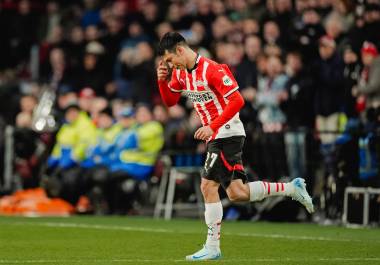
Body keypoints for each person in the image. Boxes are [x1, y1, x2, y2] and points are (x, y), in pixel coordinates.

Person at [156, 32, 314, 261]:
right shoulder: (181, 74)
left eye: (169, 60)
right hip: (217, 135)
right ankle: (292, 188)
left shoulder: (212, 69)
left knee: (207, 186)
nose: (169, 65)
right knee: (237, 193)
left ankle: (212, 246)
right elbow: (170, 101)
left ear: (180, 50)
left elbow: (238, 100)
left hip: (226, 132)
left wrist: (213, 126)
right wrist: (162, 80)